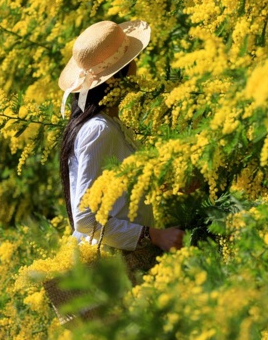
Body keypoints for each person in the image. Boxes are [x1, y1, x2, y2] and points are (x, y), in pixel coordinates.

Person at [58, 20, 184, 254]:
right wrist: (153, 235)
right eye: (131, 60)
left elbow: (118, 191)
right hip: (113, 265)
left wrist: (168, 184)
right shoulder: (99, 130)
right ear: (116, 78)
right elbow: (85, 219)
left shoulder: (110, 124)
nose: (136, 65)